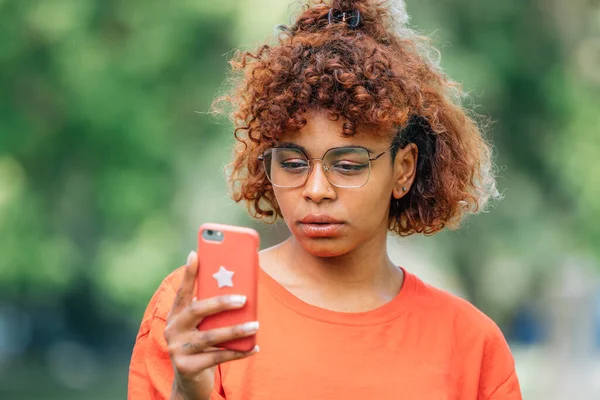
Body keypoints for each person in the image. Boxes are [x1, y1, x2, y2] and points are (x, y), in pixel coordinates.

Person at [127, 0, 522, 399]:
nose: (316, 190)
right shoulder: (195, 315)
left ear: (403, 170)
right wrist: (188, 391)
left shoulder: (471, 346)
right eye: (294, 163)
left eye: (348, 165)